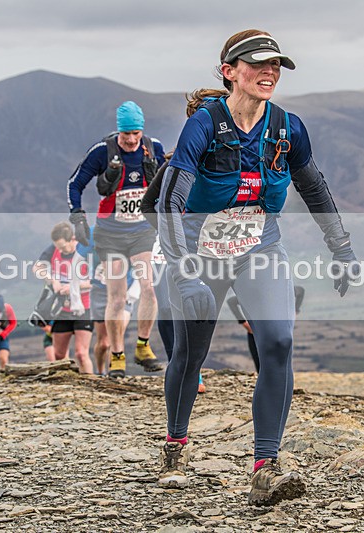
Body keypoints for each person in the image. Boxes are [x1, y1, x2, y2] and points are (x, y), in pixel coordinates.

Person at [156, 30, 361, 505]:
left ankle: (266, 466)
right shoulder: (204, 124)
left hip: (259, 247)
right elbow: (171, 197)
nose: (269, 72)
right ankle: (176, 444)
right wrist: (183, 269)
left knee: (279, 341)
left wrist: (341, 246)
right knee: (191, 352)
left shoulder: (288, 127)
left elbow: (314, 186)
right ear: (229, 71)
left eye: (276, 66)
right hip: (198, 249)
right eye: (257, 64)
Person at [66, 101, 165, 378]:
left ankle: (143, 347)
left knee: (148, 287)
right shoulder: (102, 152)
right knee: (117, 297)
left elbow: (167, 178)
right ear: (118, 132)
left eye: (136, 133)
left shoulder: (152, 147)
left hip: (142, 229)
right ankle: (117, 355)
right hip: (110, 233)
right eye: (126, 135)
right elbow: (75, 183)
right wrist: (77, 216)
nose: (132, 140)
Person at [141, 88, 231, 394]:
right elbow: (147, 204)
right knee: (168, 307)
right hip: (172, 245)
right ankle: (181, 367)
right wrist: (171, 231)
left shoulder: (232, 166)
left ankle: (192, 366)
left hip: (214, 247)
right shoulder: (173, 165)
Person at [35, 222, 96, 374]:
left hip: (85, 307)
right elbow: (37, 268)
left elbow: (97, 281)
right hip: (61, 309)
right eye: (58, 247)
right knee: (59, 355)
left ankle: (89, 385)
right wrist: (52, 280)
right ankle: (64, 386)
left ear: (72, 239)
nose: (60, 250)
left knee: (81, 353)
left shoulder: (86, 251)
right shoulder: (53, 249)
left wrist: (74, 287)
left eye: (63, 246)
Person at [227, 285, 305, 372]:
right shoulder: (254, 293)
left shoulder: (280, 290)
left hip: (276, 333)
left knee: (280, 365)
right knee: (261, 367)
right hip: (256, 334)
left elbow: (300, 291)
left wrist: (295, 311)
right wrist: (243, 322)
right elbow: (231, 301)